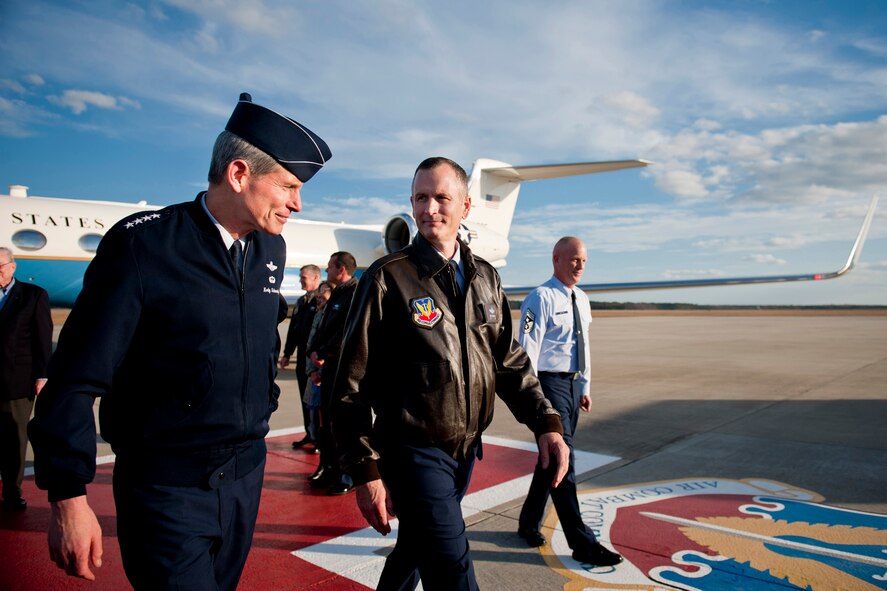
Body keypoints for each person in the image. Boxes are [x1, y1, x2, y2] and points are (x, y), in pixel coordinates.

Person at [27, 93, 331, 589]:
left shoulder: (269, 248)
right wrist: (68, 496)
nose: (297, 203)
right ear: (239, 175)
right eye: (288, 187)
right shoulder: (143, 245)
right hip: (168, 488)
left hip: (244, 479)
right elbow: (74, 376)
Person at [331, 157, 570, 590]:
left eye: (442, 197)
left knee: (414, 551)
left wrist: (545, 420)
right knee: (452, 569)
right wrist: (364, 467)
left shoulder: (486, 278)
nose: (430, 209)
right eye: (421, 198)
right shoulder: (388, 279)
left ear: (466, 205)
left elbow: (507, 360)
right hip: (412, 453)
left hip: (464, 452)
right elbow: (349, 385)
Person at [516, 236, 622, 566]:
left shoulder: (583, 299)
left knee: (550, 460)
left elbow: (583, 346)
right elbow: (527, 351)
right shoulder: (540, 297)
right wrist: (532, 398)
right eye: (574, 259)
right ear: (556, 259)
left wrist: (585, 387)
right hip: (547, 386)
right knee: (565, 461)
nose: (580, 266)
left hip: (572, 386)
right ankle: (582, 542)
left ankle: (527, 523)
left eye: (584, 261)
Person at [0, 247, 52, 512]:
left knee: (13, 440)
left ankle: (12, 492)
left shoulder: (33, 296)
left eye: (0, 267)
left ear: (12, 267)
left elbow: (43, 339)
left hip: (16, 381)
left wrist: (43, 374)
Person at [308, 251, 358, 495]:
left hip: (343, 369)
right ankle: (329, 468)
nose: (326, 271)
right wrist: (314, 350)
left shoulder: (355, 294)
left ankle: (346, 475)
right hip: (328, 367)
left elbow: (347, 332)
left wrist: (325, 353)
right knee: (326, 421)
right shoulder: (337, 293)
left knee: (343, 422)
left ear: (341, 270)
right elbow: (324, 327)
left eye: (329, 267)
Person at [280, 263, 322, 450]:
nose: (300, 281)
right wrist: (287, 353)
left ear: (315, 278)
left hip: (314, 361)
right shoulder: (301, 302)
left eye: (303, 278)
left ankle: (319, 439)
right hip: (301, 360)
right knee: (304, 399)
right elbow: (294, 330)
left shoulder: (321, 301)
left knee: (316, 402)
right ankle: (309, 434)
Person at [302, 280, 332, 455]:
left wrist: (320, 368)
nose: (319, 295)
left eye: (324, 291)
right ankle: (320, 446)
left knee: (326, 417)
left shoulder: (334, 313)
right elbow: (311, 341)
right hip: (314, 369)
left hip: (323, 371)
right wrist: (311, 370)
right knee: (318, 414)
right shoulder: (320, 312)